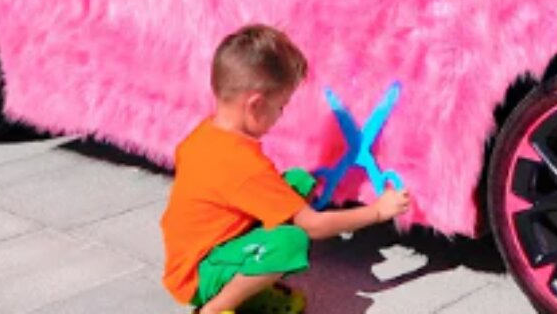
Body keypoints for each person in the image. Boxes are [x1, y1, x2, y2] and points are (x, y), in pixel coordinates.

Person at [161, 24, 411, 314]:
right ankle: (216, 308)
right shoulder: (244, 165)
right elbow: (313, 226)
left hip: (192, 254)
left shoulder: (205, 134)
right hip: (199, 273)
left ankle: (246, 286)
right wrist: (378, 211)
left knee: (297, 181)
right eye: (281, 106)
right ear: (255, 105)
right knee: (289, 242)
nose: (281, 115)